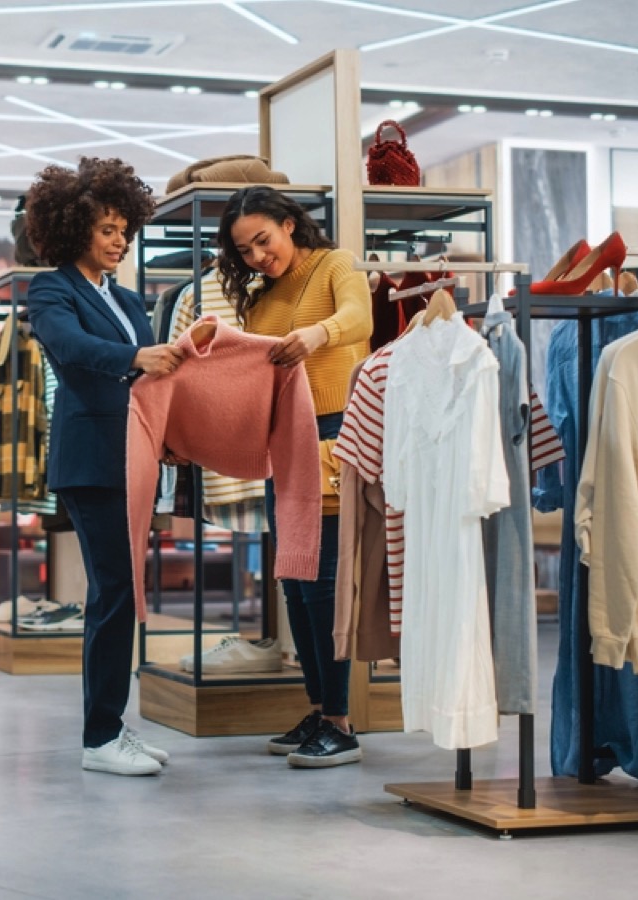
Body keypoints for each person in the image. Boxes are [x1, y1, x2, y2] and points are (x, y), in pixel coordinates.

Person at [24, 157, 184, 777]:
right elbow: (71, 348)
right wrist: (138, 355)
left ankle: (114, 725)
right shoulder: (52, 288)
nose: (119, 241)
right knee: (114, 592)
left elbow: (148, 381)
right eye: (107, 230)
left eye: (124, 230)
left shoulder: (121, 296)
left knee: (124, 592)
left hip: (135, 456)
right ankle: (99, 739)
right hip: (92, 461)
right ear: (73, 228)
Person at [217, 185, 372, 768]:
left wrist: (317, 334)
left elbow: (359, 320)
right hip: (284, 442)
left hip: (333, 436)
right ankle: (319, 706)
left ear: (288, 224)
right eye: (245, 250)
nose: (258, 256)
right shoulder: (259, 299)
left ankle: (341, 721)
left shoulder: (336, 264)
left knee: (325, 582)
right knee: (294, 583)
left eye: (264, 240)